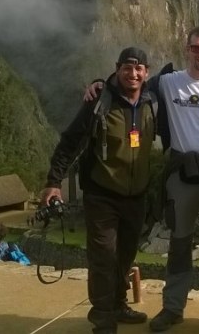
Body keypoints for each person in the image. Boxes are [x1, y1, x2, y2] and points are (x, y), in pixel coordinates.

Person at [85, 27, 199, 332]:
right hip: (182, 171)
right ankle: (173, 308)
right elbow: (128, 85)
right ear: (186, 49)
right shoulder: (168, 83)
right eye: (196, 48)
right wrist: (100, 84)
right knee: (179, 242)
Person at [43, 47, 157, 334]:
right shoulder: (99, 102)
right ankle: (102, 316)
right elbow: (70, 142)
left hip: (136, 195)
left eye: (139, 69)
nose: (133, 74)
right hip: (102, 193)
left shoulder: (152, 101)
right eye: (127, 68)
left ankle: (118, 304)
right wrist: (54, 183)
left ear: (146, 73)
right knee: (104, 256)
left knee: (126, 255)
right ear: (117, 69)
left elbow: (176, 77)